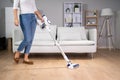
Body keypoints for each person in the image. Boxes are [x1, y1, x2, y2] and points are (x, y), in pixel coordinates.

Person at [13, 0, 44, 64]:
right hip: (24, 17)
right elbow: (15, 7)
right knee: (28, 38)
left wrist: (40, 17)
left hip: (33, 17)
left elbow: (34, 9)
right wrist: (16, 18)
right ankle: (18, 52)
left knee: (30, 39)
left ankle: (26, 58)